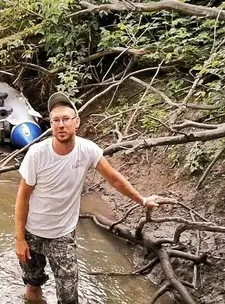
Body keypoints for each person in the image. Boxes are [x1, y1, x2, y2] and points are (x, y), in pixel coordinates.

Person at [14, 92, 159, 303]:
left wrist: (142, 200)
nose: (61, 125)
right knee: (33, 286)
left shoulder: (87, 150)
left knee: (69, 296)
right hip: (32, 232)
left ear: (76, 122)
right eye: (56, 120)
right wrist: (19, 239)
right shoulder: (37, 154)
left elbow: (114, 179)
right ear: (51, 125)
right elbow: (22, 197)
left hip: (62, 235)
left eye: (65, 119)